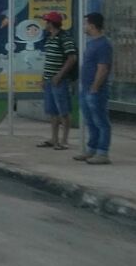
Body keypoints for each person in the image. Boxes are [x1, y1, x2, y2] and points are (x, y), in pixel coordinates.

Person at [75, 12, 113, 165]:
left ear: (92, 25)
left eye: (85, 23)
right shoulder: (91, 43)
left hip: (95, 89)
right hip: (86, 88)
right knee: (90, 121)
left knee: (100, 121)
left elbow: (103, 68)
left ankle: (103, 153)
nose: (84, 26)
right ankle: (92, 149)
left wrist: (95, 87)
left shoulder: (104, 45)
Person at [38, 11, 77, 150]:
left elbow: (72, 58)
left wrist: (59, 75)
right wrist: (43, 78)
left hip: (60, 80)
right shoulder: (49, 38)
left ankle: (64, 140)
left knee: (63, 111)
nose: (45, 24)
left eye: (46, 22)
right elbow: (48, 60)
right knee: (52, 111)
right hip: (49, 79)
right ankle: (54, 139)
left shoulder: (65, 38)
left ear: (51, 23)